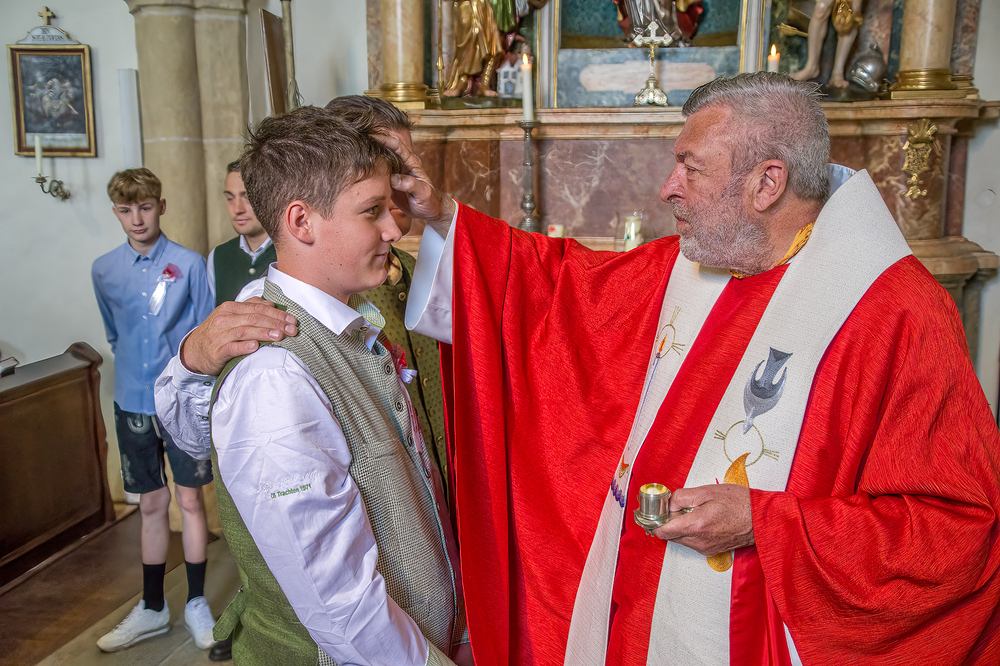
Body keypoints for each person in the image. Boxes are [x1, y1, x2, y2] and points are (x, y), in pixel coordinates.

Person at [155, 73, 1000, 665]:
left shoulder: (893, 313)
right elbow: (552, 296)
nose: (667, 189)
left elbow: (960, 531)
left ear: (767, 183)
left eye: (690, 168)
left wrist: (770, 523)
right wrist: (191, 362)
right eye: (376, 205)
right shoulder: (690, 266)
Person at [167, 106, 470, 666]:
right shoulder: (274, 374)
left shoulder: (349, 326)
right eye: (372, 210)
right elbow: (339, 601)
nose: (395, 227)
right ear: (302, 222)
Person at [91, 168, 216, 653]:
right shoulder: (104, 269)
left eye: (145, 207)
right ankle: (152, 607)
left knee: (191, 500)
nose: (137, 218)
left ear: (160, 207)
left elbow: (204, 331)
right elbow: (114, 333)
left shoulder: (189, 264)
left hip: (179, 399)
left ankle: (198, 602)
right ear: (116, 213)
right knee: (150, 504)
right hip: (132, 401)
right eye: (126, 210)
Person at [207, 161, 276, 306]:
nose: (237, 209)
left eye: (247, 197)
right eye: (230, 198)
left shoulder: (290, 253)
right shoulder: (218, 257)